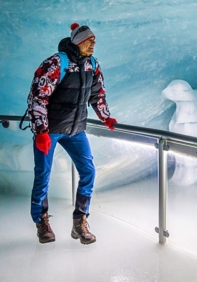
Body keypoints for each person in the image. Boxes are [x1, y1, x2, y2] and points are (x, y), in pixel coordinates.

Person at [27, 23, 117, 245]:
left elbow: (98, 94)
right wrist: (41, 132)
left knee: (88, 171)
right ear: (78, 41)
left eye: (94, 40)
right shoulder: (56, 63)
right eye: (89, 40)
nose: (93, 43)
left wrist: (106, 117)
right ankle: (42, 222)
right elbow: (37, 97)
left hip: (76, 130)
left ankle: (80, 221)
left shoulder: (92, 65)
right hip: (50, 131)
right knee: (43, 175)